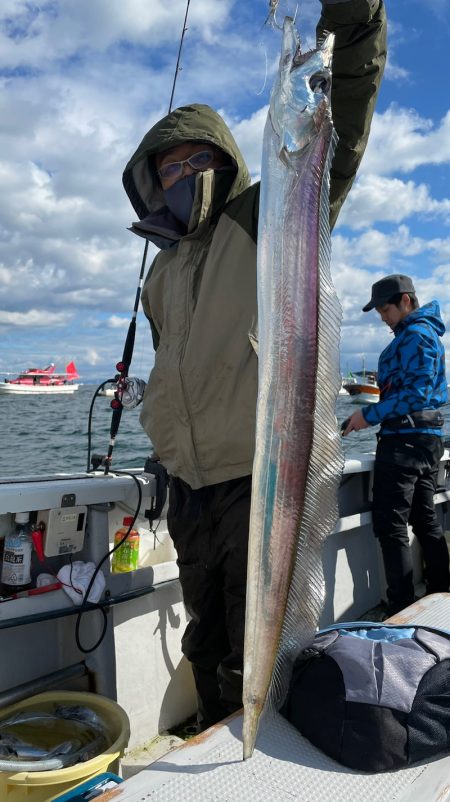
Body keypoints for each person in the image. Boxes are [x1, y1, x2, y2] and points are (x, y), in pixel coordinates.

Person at [122, 0, 387, 730]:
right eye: (165, 168)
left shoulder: (266, 213)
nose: (179, 176)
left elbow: (346, 120)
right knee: (205, 634)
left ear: (226, 161)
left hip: (257, 479)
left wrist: (352, 23)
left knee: (260, 640)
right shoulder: (161, 272)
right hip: (188, 490)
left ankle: (257, 746)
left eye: (193, 161)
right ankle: (216, 731)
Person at [343, 274, 450, 616]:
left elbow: (416, 395)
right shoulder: (425, 334)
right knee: (424, 519)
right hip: (426, 442)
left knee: (391, 525)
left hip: (403, 442)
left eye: (385, 309)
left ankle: (401, 606)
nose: (383, 318)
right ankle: (440, 593)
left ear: (406, 301)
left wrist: (368, 415)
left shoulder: (417, 336)